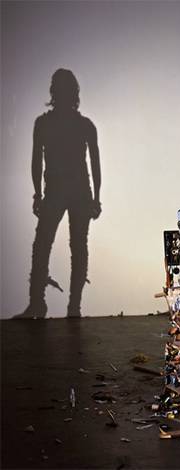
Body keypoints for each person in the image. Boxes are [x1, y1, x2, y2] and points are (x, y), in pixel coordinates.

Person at [15, 69, 101, 318]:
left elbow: (94, 164)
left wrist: (96, 198)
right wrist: (37, 195)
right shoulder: (75, 125)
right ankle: (51, 305)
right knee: (62, 246)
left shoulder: (58, 124)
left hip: (68, 192)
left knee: (52, 245)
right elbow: (37, 161)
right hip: (67, 191)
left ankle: (58, 306)